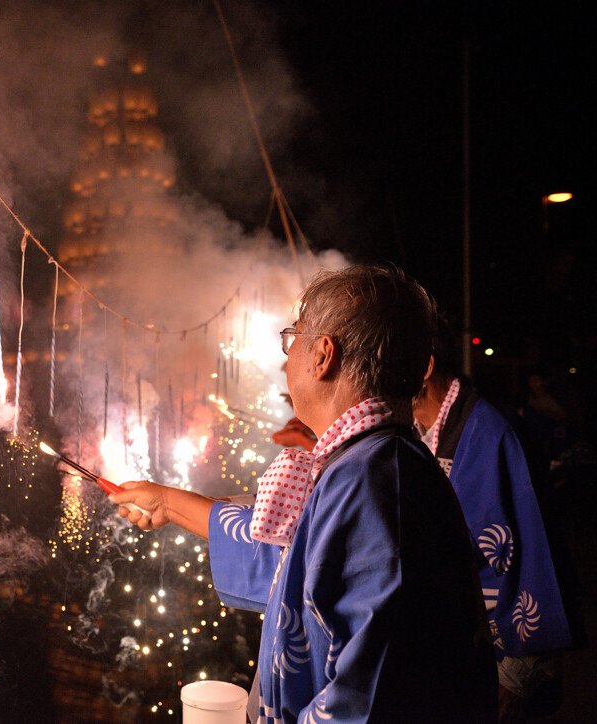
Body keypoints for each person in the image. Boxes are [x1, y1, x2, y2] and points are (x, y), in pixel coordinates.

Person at [111, 265, 497, 723]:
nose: (284, 358)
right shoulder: (367, 464)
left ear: (323, 355)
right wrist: (169, 502)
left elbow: (369, 695)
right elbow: (287, 568)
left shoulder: (376, 481)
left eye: (292, 338)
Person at [413, 322, 579, 722]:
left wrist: (517, 678)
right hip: (454, 661)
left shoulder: (491, 434)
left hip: (501, 670)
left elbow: (535, 556)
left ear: (424, 367)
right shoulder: (418, 434)